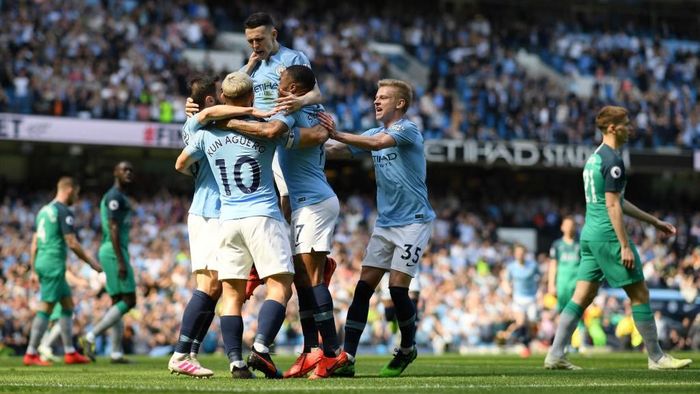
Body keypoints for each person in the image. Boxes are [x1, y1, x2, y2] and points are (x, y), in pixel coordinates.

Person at [219, 65, 347, 379]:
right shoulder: (312, 108)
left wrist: (225, 120)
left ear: (291, 87)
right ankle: (313, 351)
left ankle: (332, 353)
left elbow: (271, 131)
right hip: (307, 202)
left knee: (312, 279)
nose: (276, 87)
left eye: (280, 83)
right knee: (302, 281)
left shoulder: (290, 110)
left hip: (314, 202)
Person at [544, 105, 692, 370]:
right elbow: (613, 207)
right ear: (612, 128)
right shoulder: (613, 160)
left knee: (581, 298)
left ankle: (555, 355)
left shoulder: (594, 159)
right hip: (608, 235)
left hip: (589, 235)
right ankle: (657, 357)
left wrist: (654, 221)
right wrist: (624, 244)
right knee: (639, 293)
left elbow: (616, 200)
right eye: (626, 123)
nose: (630, 128)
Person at [175, 71, 298, 379]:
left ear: (223, 100)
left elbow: (181, 162)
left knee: (230, 293)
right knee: (280, 285)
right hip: (262, 215)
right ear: (251, 99)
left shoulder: (204, 133)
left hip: (228, 218)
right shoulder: (263, 128)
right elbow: (277, 131)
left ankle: (236, 362)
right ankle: (260, 347)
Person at [319, 79, 435, 377]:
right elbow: (338, 150)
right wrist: (303, 140)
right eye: (375, 97)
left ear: (400, 103)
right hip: (385, 224)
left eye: (383, 97)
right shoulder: (372, 133)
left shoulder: (407, 130)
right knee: (363, 288)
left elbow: (375, 144)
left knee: (397, 289)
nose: (376, 101)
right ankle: (348, 357)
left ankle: (407, 348)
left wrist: (337, 132)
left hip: (413, 222)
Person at [24, 176, 102, 366]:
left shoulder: (43, 211)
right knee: (47, 307)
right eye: (76, 192)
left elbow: (34, 243)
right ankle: (31, 353)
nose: (77, 196)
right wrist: (92, 263)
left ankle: (70, 352)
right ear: (69, 190)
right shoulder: (63, 210)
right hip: (53, 262)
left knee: (67, 305)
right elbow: (72, 242)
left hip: (43, 261)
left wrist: (34, 269)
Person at [81, 162, 136, 363]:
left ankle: (115, 352)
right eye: (124, 170)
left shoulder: (120, 196)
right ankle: (90, 336)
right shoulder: (114, 196)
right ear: (115, 172)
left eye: (131, 170)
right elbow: (113, 229)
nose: (128, 173)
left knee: (117, 302)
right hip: (114, 252)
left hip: (115, 251)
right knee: (130, 300)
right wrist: (121, 261)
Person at [503, 244, 540, 358]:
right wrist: (508, 290)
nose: (520, 255)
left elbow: (541, 278)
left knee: (532, 321)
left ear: (525, 253)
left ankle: (528, 341)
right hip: (518, 298)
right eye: (518, 253)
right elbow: (506, 281)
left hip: (531, 297)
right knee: (520, 322)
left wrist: (540, 291)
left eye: (522, 253)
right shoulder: (511, 267)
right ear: (515, 254)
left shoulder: (533, 265)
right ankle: (525, 345)